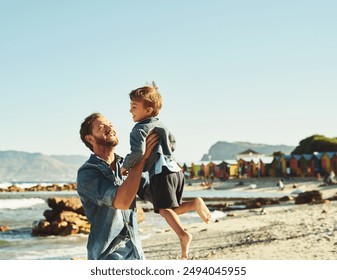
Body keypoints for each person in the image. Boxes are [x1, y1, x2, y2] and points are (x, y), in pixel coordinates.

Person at [121, 82, 212, 259]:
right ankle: (194, 204)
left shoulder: (139, 129)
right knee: (170, 209)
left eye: (133, 107)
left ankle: (183, 236)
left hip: (161, 173)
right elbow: (173, 143)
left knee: (163, 210)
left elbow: (138, 152)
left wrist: (125, 166)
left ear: (148, 110)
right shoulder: (162, 125)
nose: (130, 111)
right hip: (176, 171)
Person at [76, 112, 158, 260]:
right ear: (90, 138)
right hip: (108, 258)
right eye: (102, 127)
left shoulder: (127, 166)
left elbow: (156, 196)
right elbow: (121, 202)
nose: (110, 128)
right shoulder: (87, 173)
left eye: (110, 124)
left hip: (136, 254)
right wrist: (141, 158)